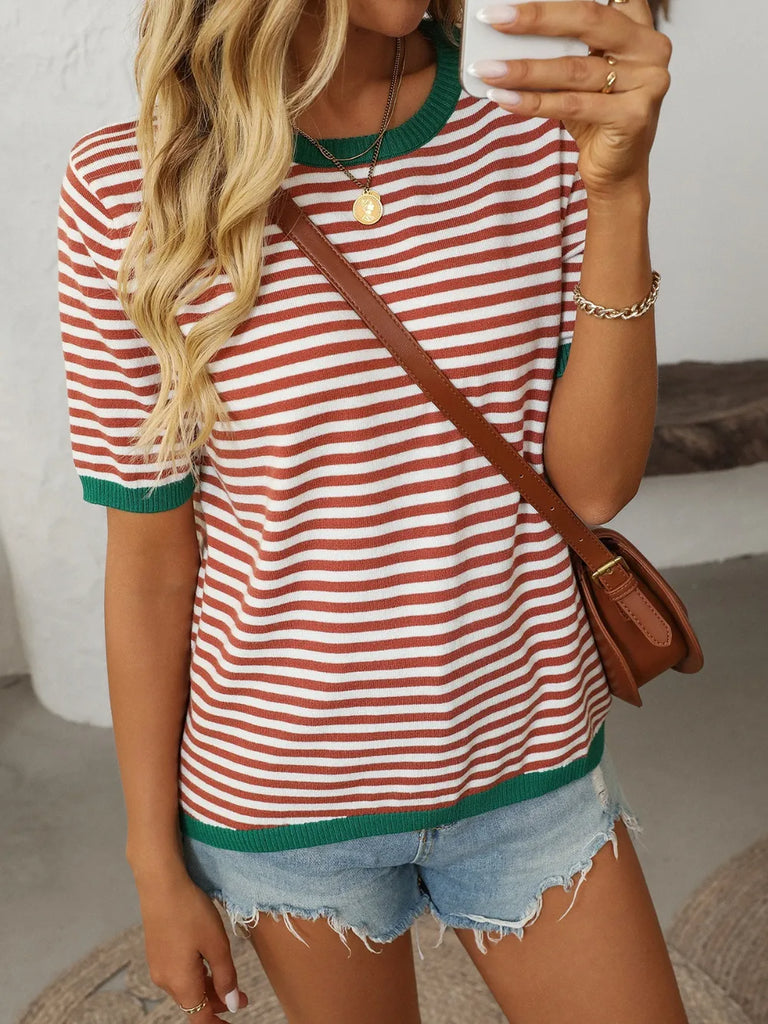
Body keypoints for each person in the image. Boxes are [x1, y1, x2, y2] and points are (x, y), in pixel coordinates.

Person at [57, 0, 688, 1021]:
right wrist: (153, 863)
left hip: (526, 759)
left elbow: (593, 487)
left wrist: (621, 193)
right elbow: (151, 561)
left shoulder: (534, 126)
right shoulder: (129, 185)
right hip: (285, 796)